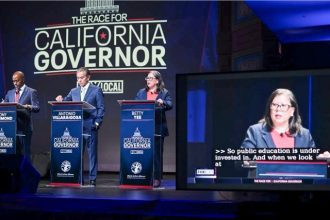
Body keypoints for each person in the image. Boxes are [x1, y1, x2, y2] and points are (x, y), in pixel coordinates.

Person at [56, 67, 105, 186]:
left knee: (92, 153)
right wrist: (61, 100)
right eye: (78, 78)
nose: (79, 80)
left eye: (82, 78)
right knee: (77, 153)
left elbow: (101, 108)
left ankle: (92, 178)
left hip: (91, 125)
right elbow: (67, 102)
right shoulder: (74, 91)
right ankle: (78, 177)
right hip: (77, 126)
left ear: (88, 77)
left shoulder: (96, 90)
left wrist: (97, 122)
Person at [241, 88, 315, 148]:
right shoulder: (255, 132)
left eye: (283, 105)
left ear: (292, 111)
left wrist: (323, 159)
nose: (278, 109)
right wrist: (246, 159)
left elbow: (314, 162)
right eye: (274, 105)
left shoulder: (305, 135)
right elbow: (240, 161)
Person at [135, 70, 173, 187]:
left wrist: (163, 102)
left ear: (157, 80)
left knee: (156, 154)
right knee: (143, 153)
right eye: (147, 78)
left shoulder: (164, 92)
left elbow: (170, 104)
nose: (148, 80)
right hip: (143, 128)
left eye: (151, 78)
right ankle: (144, 175)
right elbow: (135, 104)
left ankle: (156, 178)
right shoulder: (141, 92)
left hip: (158, 127)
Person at [4, 71, 40, 161]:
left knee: (25, 153)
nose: (15, 83)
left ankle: (26, 173)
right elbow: (6, 105)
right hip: (11, 128)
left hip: (25, 128)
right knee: (14, 154)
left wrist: (27, 106)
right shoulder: (10, 93)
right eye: (13, 81)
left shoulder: (31, 92)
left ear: (23, 80)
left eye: (17, 81)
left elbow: (37, 108)